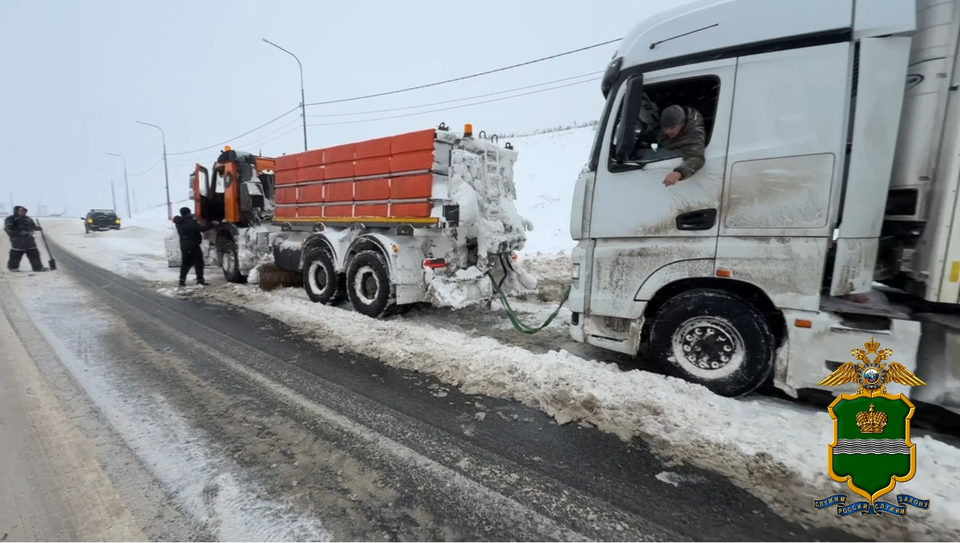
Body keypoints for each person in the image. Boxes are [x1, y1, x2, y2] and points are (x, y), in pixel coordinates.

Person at [639, 104, 707, 187]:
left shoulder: (693, 135)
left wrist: (679, 173)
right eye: (665, 128)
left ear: (682, 124)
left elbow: (696, 158)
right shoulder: (668, 129)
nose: (667, 132)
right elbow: (656, 136)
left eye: (672, 128)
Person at [172, 206, 216, 287]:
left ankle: (181, 281)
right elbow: (202, 229)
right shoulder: (190, 222)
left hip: (184, 246)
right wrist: (212, 224)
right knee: (199, 263)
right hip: (193, 246)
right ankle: (200, 281)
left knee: (185, 264)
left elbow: (188, 222)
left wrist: (192, 217)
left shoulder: (179, 222)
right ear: (188, 213)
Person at [4, 205, 48, 272]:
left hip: (29, 241)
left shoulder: (28, 219)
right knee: (16, 255)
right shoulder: (11, 219)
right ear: (16, 211)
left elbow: (33, 226)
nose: (23, 212)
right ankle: (13, 268)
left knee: (34, 254)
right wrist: (17, 233)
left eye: (24, 211)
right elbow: (8, 228)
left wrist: (37, 228)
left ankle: (38, 268)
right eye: (21, 210)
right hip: (17, 241)